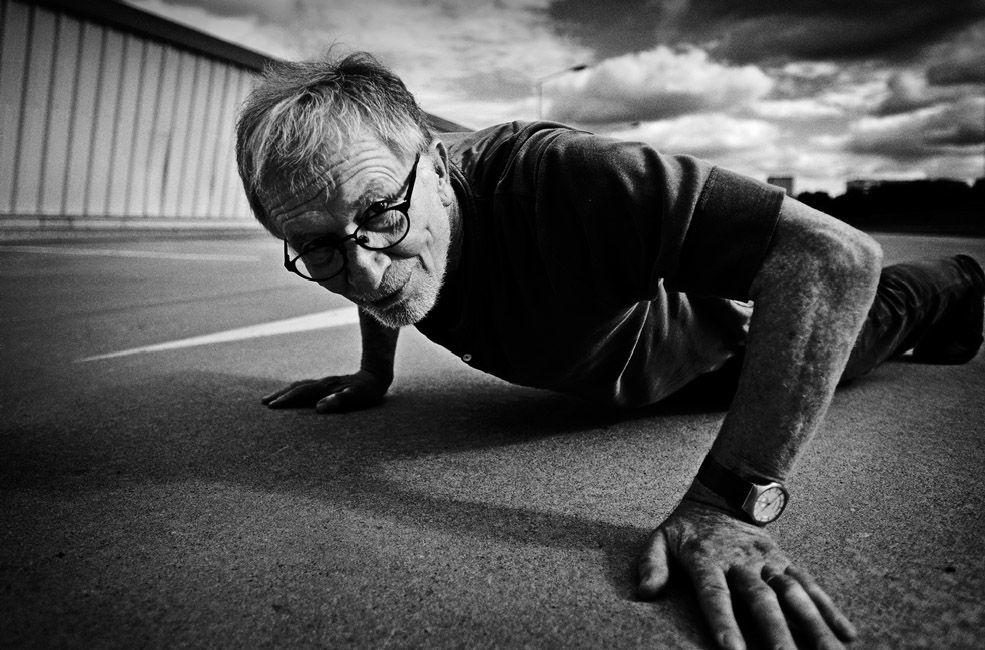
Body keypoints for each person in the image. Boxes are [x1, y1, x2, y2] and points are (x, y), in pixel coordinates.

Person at [234, 52, 985, 650]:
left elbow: (831, 259)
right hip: (626, 373)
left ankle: (959, 279)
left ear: (434, 164)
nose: (364, 271)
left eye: (381, 214)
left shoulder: (560, 177)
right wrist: (374, 371)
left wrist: (729, 505)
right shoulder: (372, 216)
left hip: (734, 350)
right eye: (317, 248)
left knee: (886, 313)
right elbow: (364, 251)